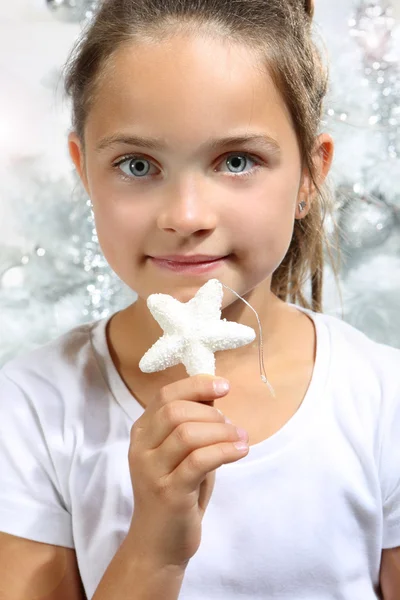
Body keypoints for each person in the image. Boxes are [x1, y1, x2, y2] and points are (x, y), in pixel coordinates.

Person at [0, 0, 399, 598]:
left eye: (237, 161)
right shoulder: (33, 410)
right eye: (137, 165)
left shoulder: (382, 400)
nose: (186, 216)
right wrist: (152, 553)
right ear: (84, 171)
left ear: (310, 176)